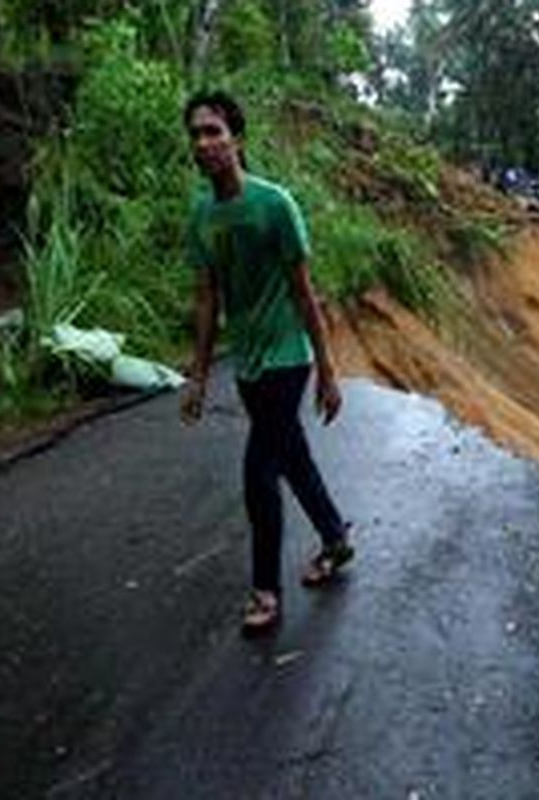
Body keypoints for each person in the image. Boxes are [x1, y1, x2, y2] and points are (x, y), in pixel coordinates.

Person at [179, 90, 353, 635]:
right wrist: (200, 373)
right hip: (249, 361)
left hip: (286, 356)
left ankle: (265, 590)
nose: (204, 142)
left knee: (260, 469)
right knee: (292, 455)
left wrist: (326, 368)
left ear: (238, 139)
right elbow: (207, 297)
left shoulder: (274, 204)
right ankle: (335, 538)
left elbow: (305, 293)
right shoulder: (202, 215)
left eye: (214, 131)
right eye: (196, 134)